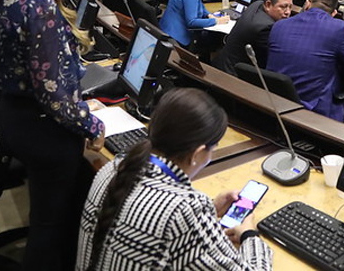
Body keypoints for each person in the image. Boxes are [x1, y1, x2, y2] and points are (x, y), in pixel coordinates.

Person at [0, 0, 105, 271]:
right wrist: (91, 124)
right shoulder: (38, 6)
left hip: (15, 117)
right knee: (52, 227)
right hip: (45, 130)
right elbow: (53, 92)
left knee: (44, 216)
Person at [77, 88, 273, 271]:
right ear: (197, 154)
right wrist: (249, 235)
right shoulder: (184, 209)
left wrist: (211, 211)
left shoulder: (114, 167)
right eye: (212, 149)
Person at [268, 0, 344, 121]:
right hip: (314, 112)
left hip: (276, 105)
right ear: (334, 12)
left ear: (307, 3)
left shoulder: (279, 25)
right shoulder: (339, 28)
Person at [213, 0, 293, 74]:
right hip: (233, 75)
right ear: (268, 5)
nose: (288, 12)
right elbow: (274, 58)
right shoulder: (265, 28)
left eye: (290, 7)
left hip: (222, 62)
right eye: (283, 7)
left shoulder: (257, 4)